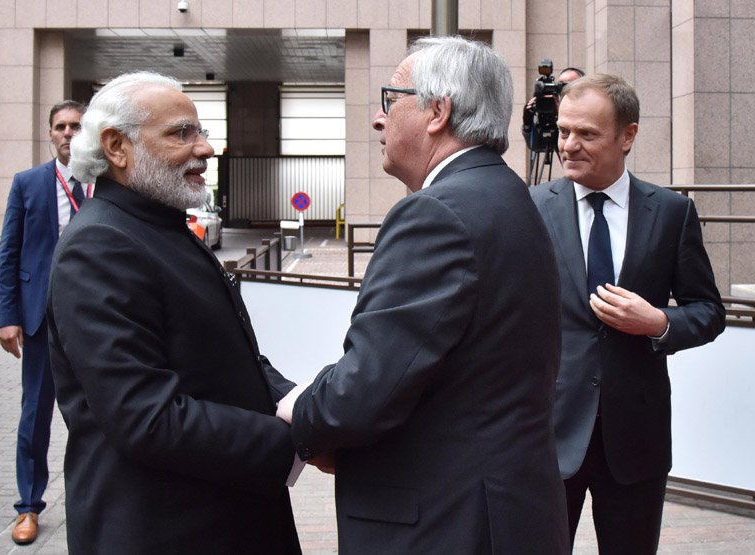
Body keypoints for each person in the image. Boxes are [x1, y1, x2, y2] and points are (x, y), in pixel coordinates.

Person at [276, 36, 569, 554]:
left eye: (392, 99)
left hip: (446, 524)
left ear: (438, 110)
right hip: (504, 512)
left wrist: (302, 410)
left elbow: (367, 391)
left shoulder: (436, 213)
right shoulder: (508, 197)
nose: (378, 119)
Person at [46, 72, 301, 554]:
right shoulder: (100, 246)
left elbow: (229, 358)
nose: (205, 148)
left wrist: (302, 403)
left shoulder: (157, 224)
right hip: (164, 530)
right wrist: (292, 439)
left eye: (200, 131)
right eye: (181, 133)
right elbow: (146, 417)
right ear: (117, 147)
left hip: (221, 515)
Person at [530, 74, 726, 553]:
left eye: (588, 134)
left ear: (628, 136)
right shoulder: (531, 207)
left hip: (637, 442)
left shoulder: (672, 213)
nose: (569, 146)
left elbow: (709, 311)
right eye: (564, 131)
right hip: (548, 436)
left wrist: (658, 323)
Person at [0, 99, 86, 545]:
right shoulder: (28, 184)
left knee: (96, 414)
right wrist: (7, 316)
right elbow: (9, 254)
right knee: (35, 415)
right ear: (50, 134)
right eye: (60, 127)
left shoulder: (104, 184)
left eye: (76, 126)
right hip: (38, 322)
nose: (68, 133)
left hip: (91, 323)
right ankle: (28, 507)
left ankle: (94, 497)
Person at [522, 66, 585, 150]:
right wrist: (527, 123)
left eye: (567, 85)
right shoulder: (552, 109)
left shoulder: (590, 111)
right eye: (560, 85)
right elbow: (537, 146)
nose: (563, 90)